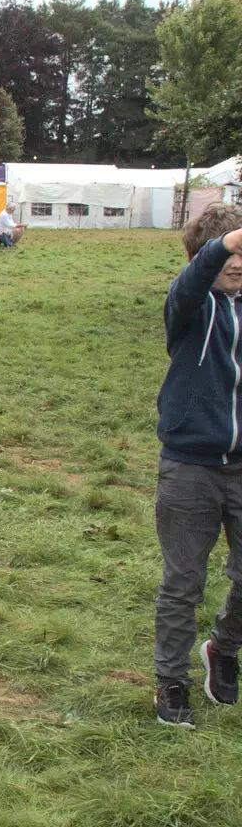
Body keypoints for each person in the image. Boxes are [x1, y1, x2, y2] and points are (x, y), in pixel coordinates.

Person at [151, 204, 242, 728]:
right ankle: (171, 681)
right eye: (226, 253)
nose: (235, 263)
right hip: (190, 464)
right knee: (183, 581)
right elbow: (194, 280)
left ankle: (225, 649)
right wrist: (222, 243)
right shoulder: (187, 306)